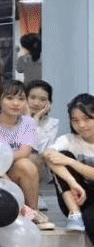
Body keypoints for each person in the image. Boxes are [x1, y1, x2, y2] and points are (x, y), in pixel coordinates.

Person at [0, 79, 53, 229]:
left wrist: (3, 157)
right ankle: (25, 212)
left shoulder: (28, 123)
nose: (16, 103)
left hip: (12, 170)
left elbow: (25, 151)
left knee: (27, 163)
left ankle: (32, 213)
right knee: (24, 162)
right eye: (9, 98)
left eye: (21, 99)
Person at [45, 93, 94, 237]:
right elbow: (47, 155)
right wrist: (72, 182)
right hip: (76, 197)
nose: (81, 125)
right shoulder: (69, 140)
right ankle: (75, 215)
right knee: (60, 155)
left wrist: (70, 162)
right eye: (75, 120)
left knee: (90, 221)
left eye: (87, 119)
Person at [26, 79, 59, 210]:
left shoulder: (52, 123)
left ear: (49, 103)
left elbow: (41, 150)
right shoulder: (15, 118)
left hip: (39, 165)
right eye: (32, 97)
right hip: (15, 165)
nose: (36, 103)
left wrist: (35, 120)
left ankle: (34, 198)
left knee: (34, 157)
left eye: (42, 99)